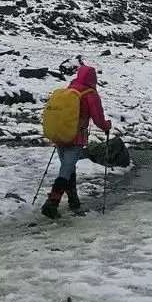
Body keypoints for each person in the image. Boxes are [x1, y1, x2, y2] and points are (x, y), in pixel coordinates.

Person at [41, 63, 112, 219]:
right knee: (66, 169)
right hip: (76, 137)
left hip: (60, 134)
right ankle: (53, 202)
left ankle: (74, 201)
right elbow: (98, 119)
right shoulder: (90, 94)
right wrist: (107, 126)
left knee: (68, 167)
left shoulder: (70, 89)